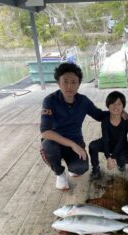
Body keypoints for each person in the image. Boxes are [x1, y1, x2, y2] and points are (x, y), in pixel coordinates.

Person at [40, 62, 108, 190]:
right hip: (55, 141)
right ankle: (59, 173)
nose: (69, 86)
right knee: (48, 147)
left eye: (73, 82)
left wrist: (118, 111)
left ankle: (72, 165)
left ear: (79, 84)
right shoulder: (50, 100)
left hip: (75, 140)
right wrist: (73, 145)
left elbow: (99, 115)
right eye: (65, 81)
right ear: (58, 83)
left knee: (81, 168)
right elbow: (45, 132)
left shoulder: (83, 101)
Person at [88, 91, 128, 180]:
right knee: (93, 146)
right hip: (107, 143)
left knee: (125, 158)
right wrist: (108, 158)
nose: (116, 107)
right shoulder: (105, 120)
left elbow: (121, 140)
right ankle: (96, 169)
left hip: (121, 145)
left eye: (119, 104)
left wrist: (113, 158)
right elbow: (105, 139)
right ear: (108, 105)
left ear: (123, 106)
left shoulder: (126, 121)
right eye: (113, 104)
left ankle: (121, 164)